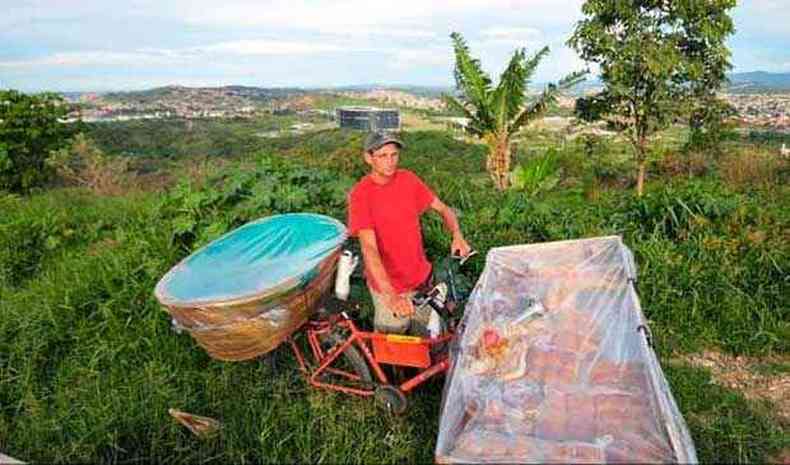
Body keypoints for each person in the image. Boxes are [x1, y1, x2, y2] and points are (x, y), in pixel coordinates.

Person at [347, 131, 472, 334]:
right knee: (394, 350)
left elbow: (443, 209)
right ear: (368, 158)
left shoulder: (408, 180)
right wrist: (390, 295)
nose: (390, 162)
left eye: (394, 155)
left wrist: (457, 235)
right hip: (390, 287)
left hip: (422, 281)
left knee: (424, 340)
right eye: (383, 156)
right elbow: (369, 248)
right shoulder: (362, 195)